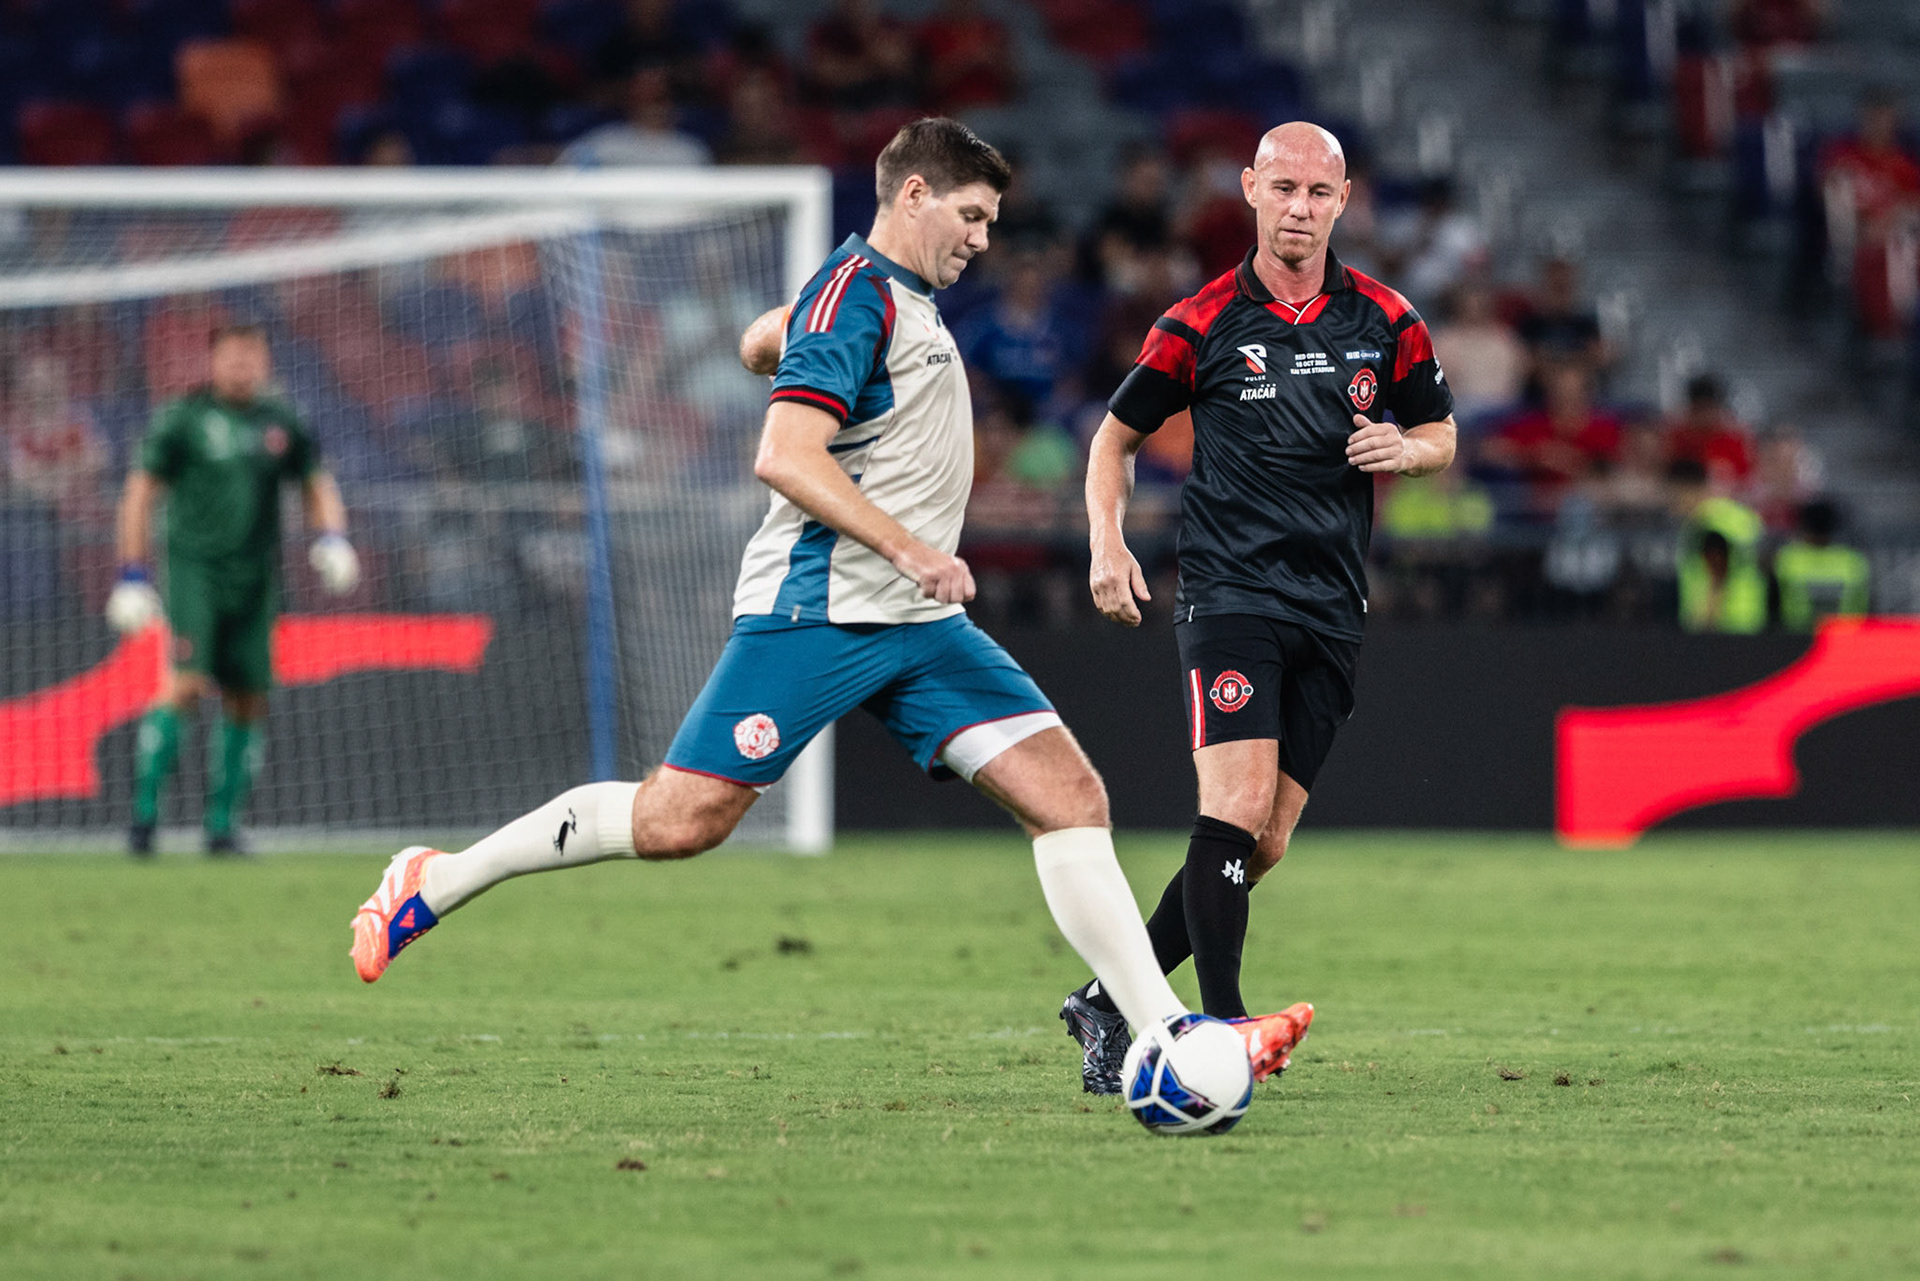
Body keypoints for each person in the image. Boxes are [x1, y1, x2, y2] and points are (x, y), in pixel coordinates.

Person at [347, 119, 1310, 1082]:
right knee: (680, 820)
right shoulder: (860, 296)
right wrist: (908, 546)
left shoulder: (883, 296)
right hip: (821, 608)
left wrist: (771, 337)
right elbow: (785, 454)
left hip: (920, 626)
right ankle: (438, 876)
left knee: (1069, 797)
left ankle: (1164, 1035)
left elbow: (771, 338)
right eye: (972, 215)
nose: (983, 239)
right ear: (915, 195)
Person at [1059, 122, 1454, 1092]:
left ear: (1344, 200)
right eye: (1283, 189)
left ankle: (1105, 998)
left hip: (1334, 603)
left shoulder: (1387, 318)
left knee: (1261, 842)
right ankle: (1224, 1030)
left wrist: (1405, 451)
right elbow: (1113, 440)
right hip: (1230, 592)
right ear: (1248, 189)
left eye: (1318, 193)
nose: (1299, 209)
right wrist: (1107, 543)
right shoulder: (1198, 322)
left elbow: (1440, 430)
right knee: (1230, 810)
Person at [107, 325, 359, 855]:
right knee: (186, 684)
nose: (242, 366)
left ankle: (221, 826)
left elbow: (315, 480)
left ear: (265, 361)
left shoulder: (281, 420)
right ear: (213, 361)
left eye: (252, 356)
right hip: (194, 572)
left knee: (248, 696)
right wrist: (131, 573)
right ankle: (144, 819)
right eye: (232, 356)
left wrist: (333, 536)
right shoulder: (182, 419)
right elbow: (139, 493)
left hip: (257, 577)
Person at [1773, 498, 1869, 630]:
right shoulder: (1852, 561)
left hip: (1800, 634)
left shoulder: (1789, 558)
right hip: (1840, 634)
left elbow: (1774, 604)